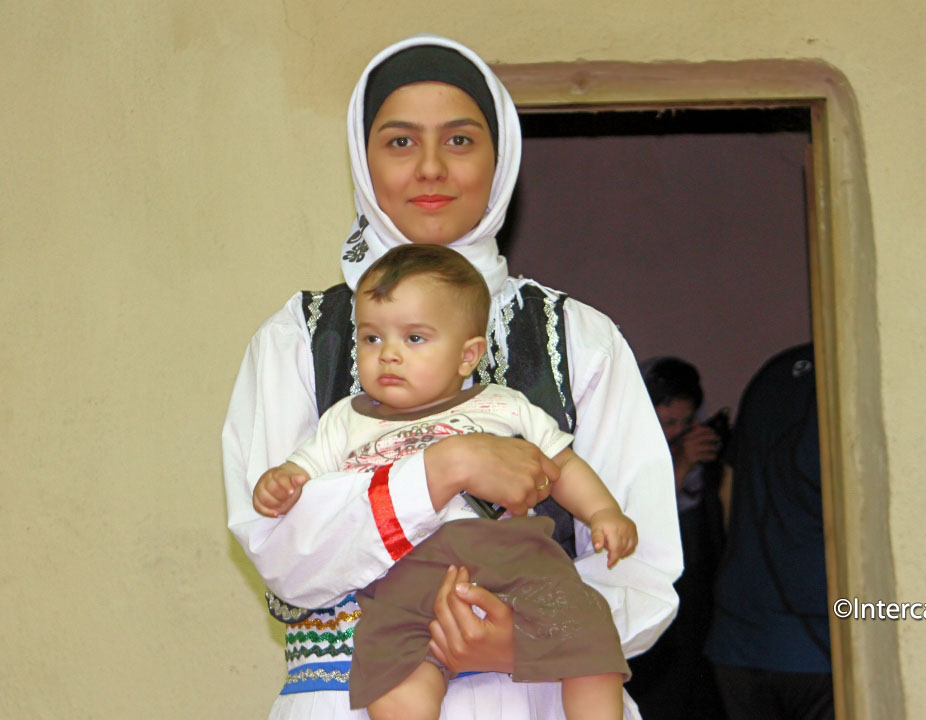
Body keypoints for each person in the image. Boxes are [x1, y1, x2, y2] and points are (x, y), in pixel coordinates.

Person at [222, 34, 681, 719]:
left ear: (501, 160)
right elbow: (283, 556)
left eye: (461, 141)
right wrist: (445, 467)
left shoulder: (578, 338)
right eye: (400, 142)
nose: (431, 169)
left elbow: (640, 565)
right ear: (362, 156)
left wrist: (516, 640)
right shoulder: (297, 338)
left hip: (543, 700)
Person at [253, 244, 636, 719]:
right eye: (371, 339)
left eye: (414, 339)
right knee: (392, 670)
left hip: (515, 557)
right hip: (405, 573)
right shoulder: (344, 421)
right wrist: (283, 479)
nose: (388, 355)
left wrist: (602, 512)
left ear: (467, 355)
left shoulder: (503, 405)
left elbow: (562, 465)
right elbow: (303, 472)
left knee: (586, 629)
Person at [705, 343, 832, 720]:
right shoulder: (851, 379)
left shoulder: (775, 373)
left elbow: (728, 489)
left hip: (742, 633)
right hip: (820, 639)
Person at [625, 357, 727, 719]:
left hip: (698, 603)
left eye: (686, 422)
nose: (678, 433)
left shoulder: (706, 466)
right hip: (649, 607)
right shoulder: (621, 455)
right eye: (668, 423)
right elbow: (639, 521)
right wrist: (680, 464)